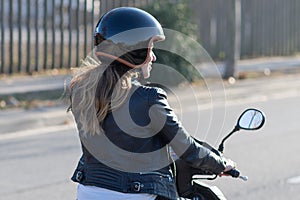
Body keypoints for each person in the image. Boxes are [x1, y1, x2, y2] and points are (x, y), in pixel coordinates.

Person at [69, 7, 235, 200]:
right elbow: (187, 148)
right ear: (135, 52)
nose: (154, 57)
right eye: (150, 49)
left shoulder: (81, 91)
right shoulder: (149, 98)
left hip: (87, 191)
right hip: (137, 195)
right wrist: (221, 164)